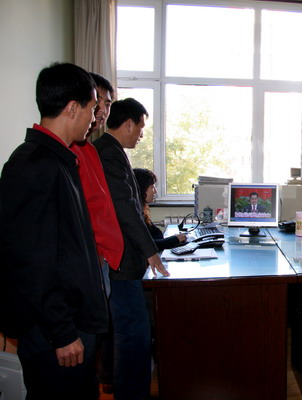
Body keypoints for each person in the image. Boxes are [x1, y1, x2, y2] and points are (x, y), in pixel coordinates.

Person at [0, 62, 108, 399]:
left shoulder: (60, 160)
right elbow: (29, 262)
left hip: (70, 321)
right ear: (73, 108)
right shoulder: (32, 166)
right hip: (56, 332)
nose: (94, 118)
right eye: (92, 108)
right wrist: (61, 331)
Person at [93, 97, 170, 400]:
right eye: (140, 127)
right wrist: (151, 251)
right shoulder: (108, 153)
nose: (141, 134)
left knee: (134, 332)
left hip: (122, 260)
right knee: (133, 333)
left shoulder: (111, 151)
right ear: (128, 123)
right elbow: (125, 207)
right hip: (121, 263)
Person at [70, 72, 124, 395]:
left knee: (90, 352)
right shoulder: (68, 154)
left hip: (99, 262)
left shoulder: (88, 149)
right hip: (85, 268)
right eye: (98, 103)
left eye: (106, 105)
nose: (102, 112)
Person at [133, 167, 187, 250]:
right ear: (140, 189)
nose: (155, 191)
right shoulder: (133, 214)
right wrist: (175, 239)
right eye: (152, 187)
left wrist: (173, 239)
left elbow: (156, 233)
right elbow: (147, 245)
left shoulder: (141, 209)